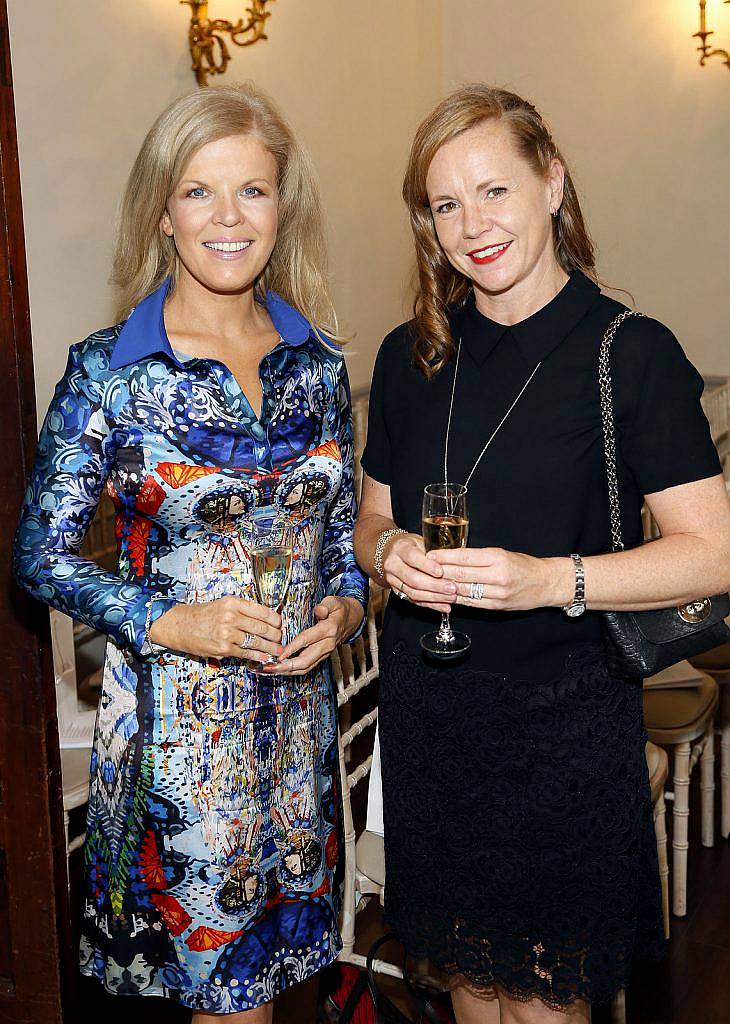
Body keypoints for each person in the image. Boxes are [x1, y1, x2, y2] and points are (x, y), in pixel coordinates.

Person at [354, 84, 730, 1023]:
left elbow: (712, 554)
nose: (473, 225)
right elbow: (368, 528)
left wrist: (549, 581)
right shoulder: (410, 358)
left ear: (552, 183)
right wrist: (389, 551)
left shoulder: (628, 354)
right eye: (446, 204)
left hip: (562, 727)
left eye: (494, 191)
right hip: (433, 722)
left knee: (547, 1007)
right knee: (469, 989)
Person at [14, 83, 367, 1022]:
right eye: (198, 191)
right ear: (162, 211)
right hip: (179, 748)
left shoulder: (319, 363)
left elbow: (340, 546)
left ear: (281, 208)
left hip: (297, 736)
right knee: (228, 1008)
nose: (227, 218)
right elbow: (39, 554)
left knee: (283, 991)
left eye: (251, 191)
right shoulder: (111, 372)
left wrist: (344, 608)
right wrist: (170, 619)